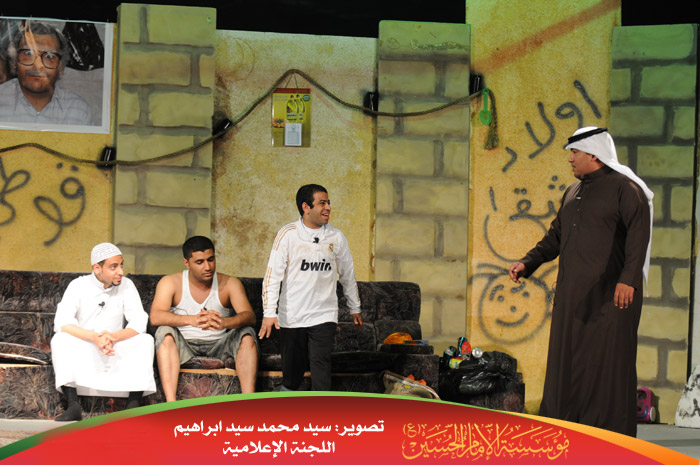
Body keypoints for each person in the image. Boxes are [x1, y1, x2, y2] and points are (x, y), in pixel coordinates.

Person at [509, 127, 653, 436]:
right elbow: (555, 236)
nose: (570, 159)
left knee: (607, 364)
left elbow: (639, 237)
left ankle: (609, 435)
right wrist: (528, 262)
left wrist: (628, 279)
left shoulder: (626, 190)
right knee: (567, 362)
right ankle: (565, 429)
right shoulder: (573, 191)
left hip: (613, 296)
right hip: (573, 295)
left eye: (575, 152)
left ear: (593, 154)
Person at [259, 184, 362, 391]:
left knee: (321, 366)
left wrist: (355, 306)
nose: (328, 208)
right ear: (306, 207)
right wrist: (269, 312)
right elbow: (272, 276)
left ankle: (320, 409)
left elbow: (348, 274)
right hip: (293, 315)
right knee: (292, 376)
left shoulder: (336, 236)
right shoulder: (288, 234)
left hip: (324, 314)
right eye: (322, 203)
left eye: (328, 203)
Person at [51, 243, 156, 421]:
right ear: (97, 268)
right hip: (86, 346)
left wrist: (114, 337)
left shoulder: (127, 285)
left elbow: (139, 322)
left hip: (115, 348)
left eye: (121, 265)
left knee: (145, 340)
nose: (120, 271)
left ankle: (133, 404)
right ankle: (73, 405)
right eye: (113, 267)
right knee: (60, 339)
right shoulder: (78, 285)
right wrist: (94, 337)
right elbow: (62, 322)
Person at [150, 236, 258, 401]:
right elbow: (155, 316)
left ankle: (248, 402)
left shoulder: (229, 283)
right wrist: (191, 320)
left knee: (247, 333)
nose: (207, 267)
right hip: (184, 346)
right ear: (187, 263)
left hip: (220, 346)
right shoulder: (170, 282)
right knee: (164, 331)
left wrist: (224, 323)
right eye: (199, 262)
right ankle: (171, 404)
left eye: (211, 260)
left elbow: (249, 316)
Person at [0, 21, 92, 125]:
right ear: (14, 62)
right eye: (28, 53)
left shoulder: (78, 109)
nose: (38, 65)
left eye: (49, 56)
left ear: (61, 67)